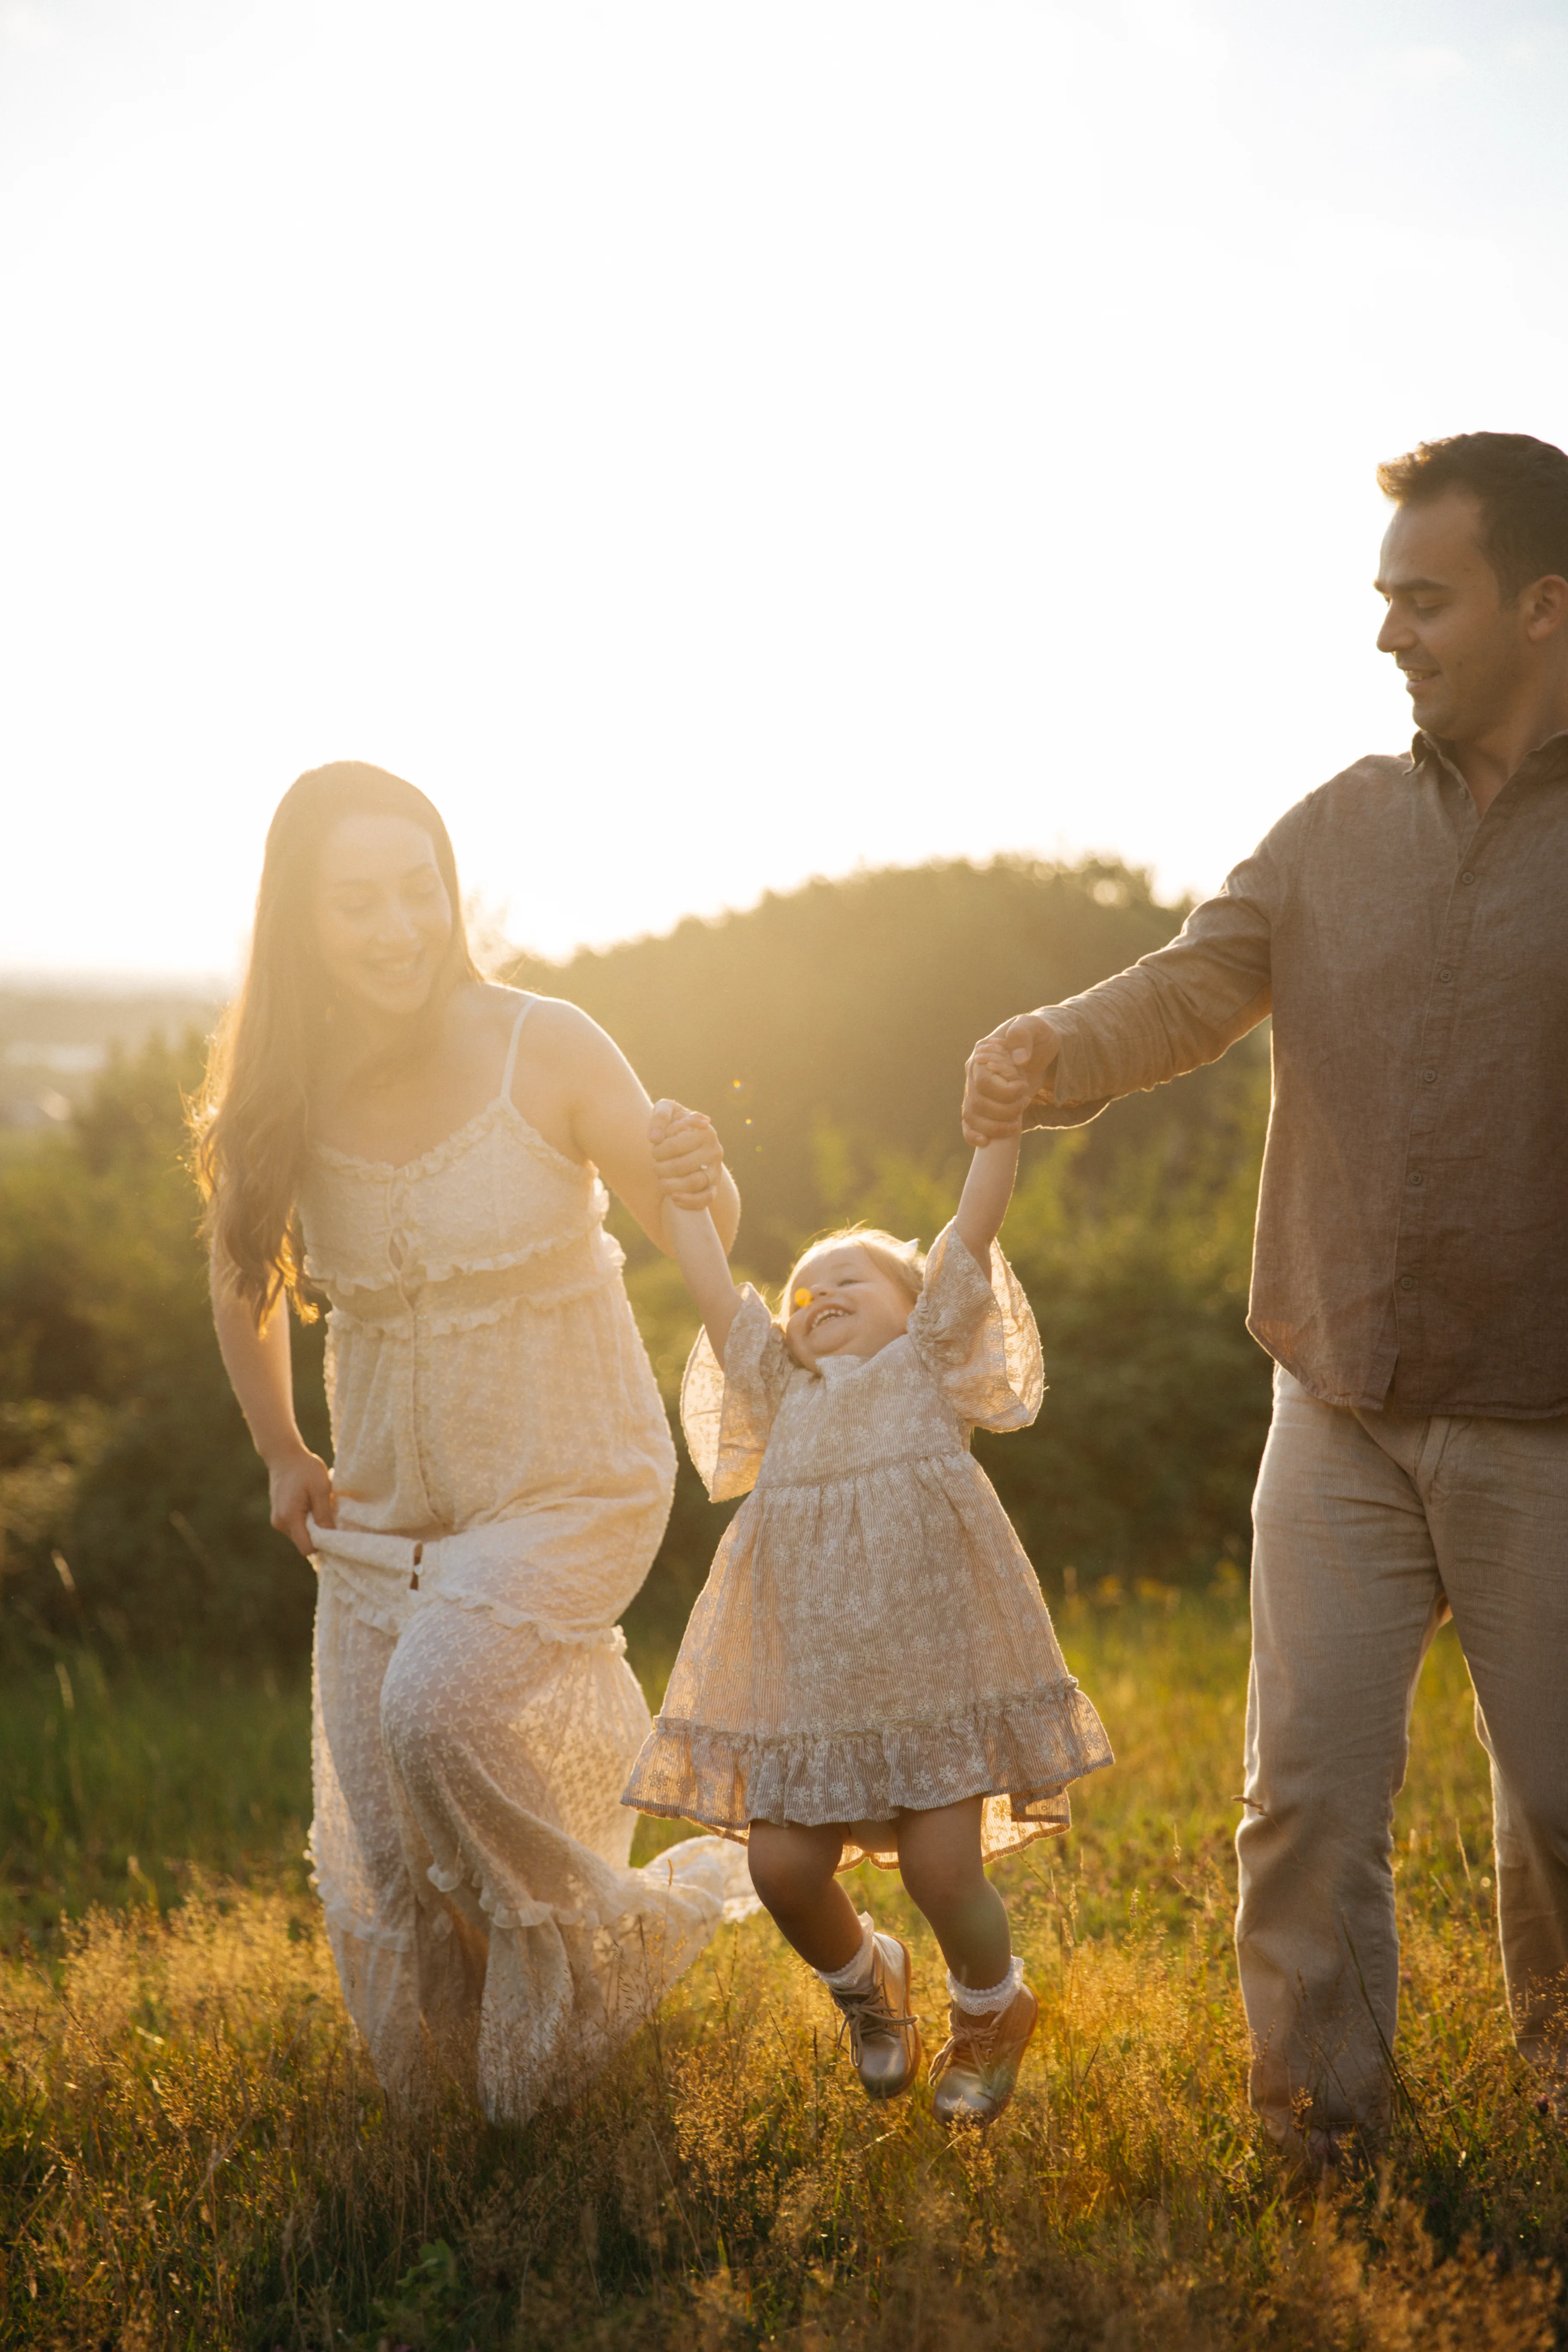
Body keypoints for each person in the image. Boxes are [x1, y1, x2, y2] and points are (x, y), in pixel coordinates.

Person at [961, 431, 1568, 2165]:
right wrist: (1053, 1049)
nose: (1390, 634)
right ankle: (1324, 2145)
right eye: (1383, 600)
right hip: (1338, 1405)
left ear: (1544, 606)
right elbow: (1193, 981)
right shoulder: (1334, 832)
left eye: (1426, 599)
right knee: (1302, 1801)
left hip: (1551, 1415)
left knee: (1566, 1814)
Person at [193, 759, 755, 2125]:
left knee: (433, 1711)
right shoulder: (287, 1086)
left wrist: (707, 1177)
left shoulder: (543, 1042)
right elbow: (239, 1273)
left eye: (416, 890)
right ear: (304, 923)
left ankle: (614, 1942)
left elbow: (697, 1220)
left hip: (573, 1474)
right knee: (390, 1845)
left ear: (452, 892)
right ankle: (477, 2124)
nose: (394, 927)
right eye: (356, 903)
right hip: (388, 1500)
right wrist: (281, 1450)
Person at [622, 1072, 1112, 2125]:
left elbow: (972, 1235)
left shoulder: (926, 1365)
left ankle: (991, 2007)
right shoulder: (779, 1389)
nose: (819, 1298)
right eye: (803, 1292)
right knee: (780, 1870)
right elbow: (712, 1283)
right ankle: (869, 1987)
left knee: (946, 1871)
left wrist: (996, 1130)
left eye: (851, 1281)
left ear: (915, 1307)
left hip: (933, 1687)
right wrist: (683, 1189)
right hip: (812, 1703)